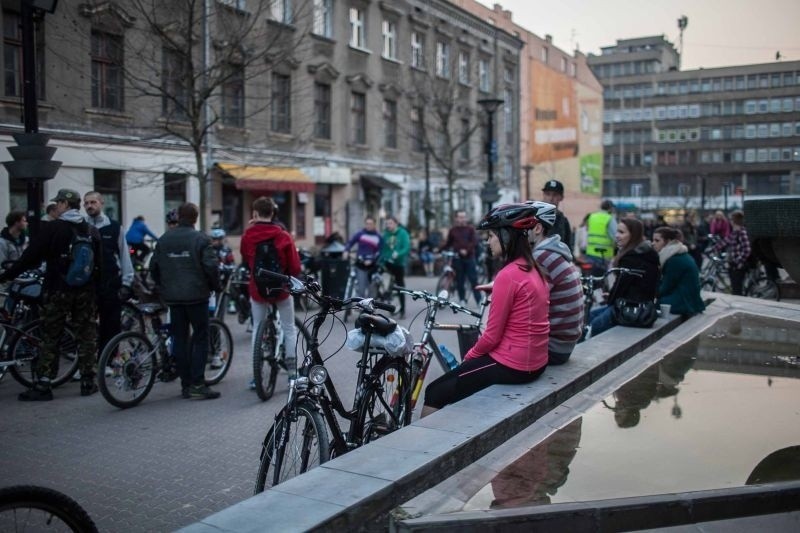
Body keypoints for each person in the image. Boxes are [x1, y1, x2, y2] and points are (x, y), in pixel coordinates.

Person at [421, 203, 550, 417]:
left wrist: (468, 358)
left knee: (435, 391)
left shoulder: (508, 275)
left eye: (491, 235)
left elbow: (491, 337)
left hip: (515, 365)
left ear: (507, 236)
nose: (488, 241)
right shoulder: (533, 268)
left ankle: (425, 449)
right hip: (536, 361)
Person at [0, 189, 103, 401]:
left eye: (59, 203)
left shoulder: (52, 228)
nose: (56, 207)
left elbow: (30, 257)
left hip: (57, 290)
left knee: (50, 335)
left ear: (65, 204)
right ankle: (87, 381)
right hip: (85, 291)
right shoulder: (91, 230)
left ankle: (44, 384)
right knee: (86, 334)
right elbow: (100, 265)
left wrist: (7, 276)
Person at [150, 203, 221, 400]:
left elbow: (153, 267)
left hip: (173, 298)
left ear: (179, 216)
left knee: (179, 339)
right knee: (200, 337)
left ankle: (185, 384)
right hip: (196, 296)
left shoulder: (164, 239)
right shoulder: (200, 239)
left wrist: (164, 287)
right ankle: (198, 383)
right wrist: (215, 286)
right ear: (195, 218)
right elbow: (211, 267)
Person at [240, 196, 301, 380]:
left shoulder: (247, 236)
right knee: (289, 328)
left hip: (257, 289)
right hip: (281, 289)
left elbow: (245, 260)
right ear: (273, 213)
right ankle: (292, 371)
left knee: (258, 326)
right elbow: (295, 267)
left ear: (255, 214)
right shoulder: (283, 235)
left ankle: (256, 373)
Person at [527, 201, 584, 365]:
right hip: (564, 345)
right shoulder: (552, 251)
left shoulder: (541, 257)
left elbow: (527, 308)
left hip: (553, 348)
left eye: (522, 228)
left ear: (537, 229)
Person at [587, 217, 660, 338]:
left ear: (633, 235)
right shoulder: (646, 253)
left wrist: (611, 298)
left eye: (621, 232)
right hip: (640, 306)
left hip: (629, 308)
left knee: (594, 325)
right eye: (617, 231)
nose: (616, 235)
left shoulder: (631, 257)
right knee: (591, 316)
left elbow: (620, 286)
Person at [83, 191, 134, 360]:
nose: (89, 206)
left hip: (110, 282)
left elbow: (124, 255)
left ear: (101, 203)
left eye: (93, 202)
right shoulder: (81, 227)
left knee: (110, 324)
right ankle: (86, 362)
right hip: (87, 283)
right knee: (85, 325)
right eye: (86, 203)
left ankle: (109, 360)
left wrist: (127, 282)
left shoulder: (114, 227)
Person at [652, 226, 705, 318]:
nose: (653, 244)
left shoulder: (674, 259)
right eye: (653, 240)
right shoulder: (678, 254)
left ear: (668, 241)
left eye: (657, 241)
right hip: (690, 299)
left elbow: (665, 287)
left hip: (685, 302)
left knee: (650, 305)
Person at [442, 210, 481, 306]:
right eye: (460, 217)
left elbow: (474, 242)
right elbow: (448, 243)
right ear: (456, 218)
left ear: (466, 218)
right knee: (460, 280)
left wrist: (467, 250)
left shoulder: (470, 229)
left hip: (469, 258)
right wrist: (439, 250)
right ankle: (462, 299)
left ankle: (478, 300)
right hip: (457, 259)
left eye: (463, 217)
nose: (462, 219)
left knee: (473, 280)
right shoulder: (453, 230)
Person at [710, 210, 751, 296]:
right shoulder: (735, 232)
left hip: (738, 265)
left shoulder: (742, 232)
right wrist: (712, 249)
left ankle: (739, 306)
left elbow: (747, 249)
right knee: (735, 289)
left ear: (734, 221)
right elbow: (725, 241)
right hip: (733, 264)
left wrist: (738, 261)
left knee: (737, 290)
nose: (730, 222)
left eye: (731, 220)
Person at [379, 215, 410, 319]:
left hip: (398, 263)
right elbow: (383, 249)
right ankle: (383, 293)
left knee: (400, 286)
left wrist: (398, 253)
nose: (388, 225)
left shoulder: (403, 233)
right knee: (376, 274)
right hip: (387, 262)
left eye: (390, 223)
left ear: (396, 223)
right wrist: (381, 260)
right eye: (387, 223)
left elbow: (406, 247)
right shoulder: (386, 234)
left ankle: (403, 310)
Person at [344, 216, 382, 297]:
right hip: (360, 264)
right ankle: (360, 307)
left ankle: (370, 308)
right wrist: (346, 250)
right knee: (361, 289)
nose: (368, 225)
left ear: (375, 224)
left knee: (372, 291)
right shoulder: (360, 234)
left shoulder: (378, 237)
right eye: (367, 223)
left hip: (372, 266)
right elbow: (350, 243)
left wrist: (372, 260)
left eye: (370, 224)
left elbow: (380, 252)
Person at [584, 199, 617, 275]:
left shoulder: (592, 217)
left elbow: (587, 230)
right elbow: (616, 237)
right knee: (600, 280)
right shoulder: (610, 218)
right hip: (603, 254)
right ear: (610, 208)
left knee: (590, 278)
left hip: (590, 253)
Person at [540, 179, 572, 250]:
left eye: (555, 195)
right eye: (548, 194)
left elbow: (568, 247)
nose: (551, 198)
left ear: (561, 197)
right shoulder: (535, 217)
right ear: (543, 195)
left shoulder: (564, 221)